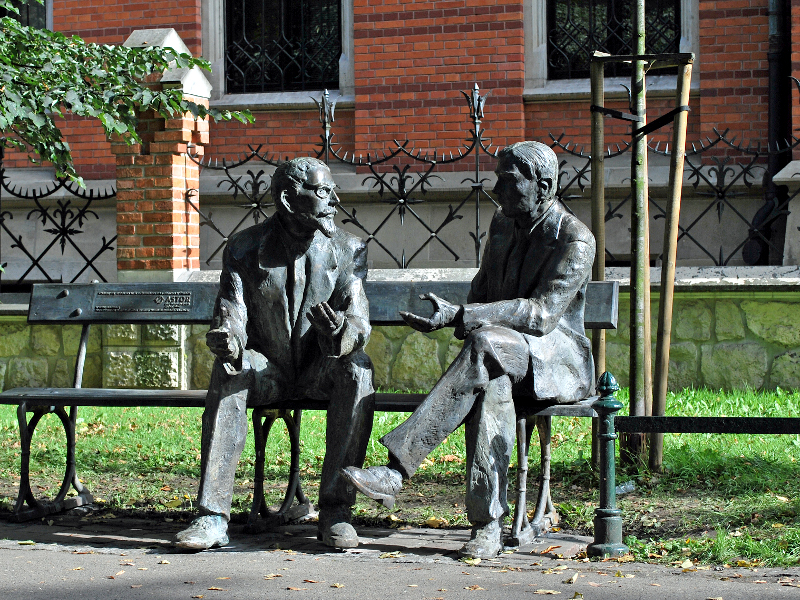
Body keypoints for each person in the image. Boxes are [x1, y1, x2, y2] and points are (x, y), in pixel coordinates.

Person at [341, 141, 596, 559]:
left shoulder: (574, 239)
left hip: (553, 360)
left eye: (508, 179)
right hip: (500, 356)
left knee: (484, 346)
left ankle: (397, 470)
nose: (496, 187)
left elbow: (541, 315)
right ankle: (487, 526)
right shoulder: (501, 225)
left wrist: (464, 315)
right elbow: (482, 290)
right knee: (490, 381)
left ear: (543, 186)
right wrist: (451, 315)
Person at [175, 157, 374, 551]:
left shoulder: (349, 249)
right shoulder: (245, 247)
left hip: (321, 366)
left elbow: (359, 318)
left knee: (359, 371)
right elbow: (232, 311)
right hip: (271, 369)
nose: (335, 199)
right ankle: (211, 516)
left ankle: (336, 512)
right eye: (322, 192)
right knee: (230, 370)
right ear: (287, 198)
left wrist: (341, 332)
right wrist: (228, 339)